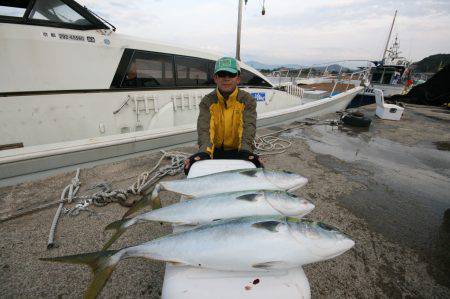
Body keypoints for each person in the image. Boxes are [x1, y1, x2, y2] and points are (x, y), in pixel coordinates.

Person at [184, 57, 263, 174]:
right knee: (193, 170)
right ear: (215, 78)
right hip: (213, 151)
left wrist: (246, 151)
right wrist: (203, 153)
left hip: (239, 151)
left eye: (231, 74)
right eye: (222, 74)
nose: (226, 78)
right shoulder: (207, 101)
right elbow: (205, 129)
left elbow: (248, 127)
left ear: (238, 79)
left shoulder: (247, 100)